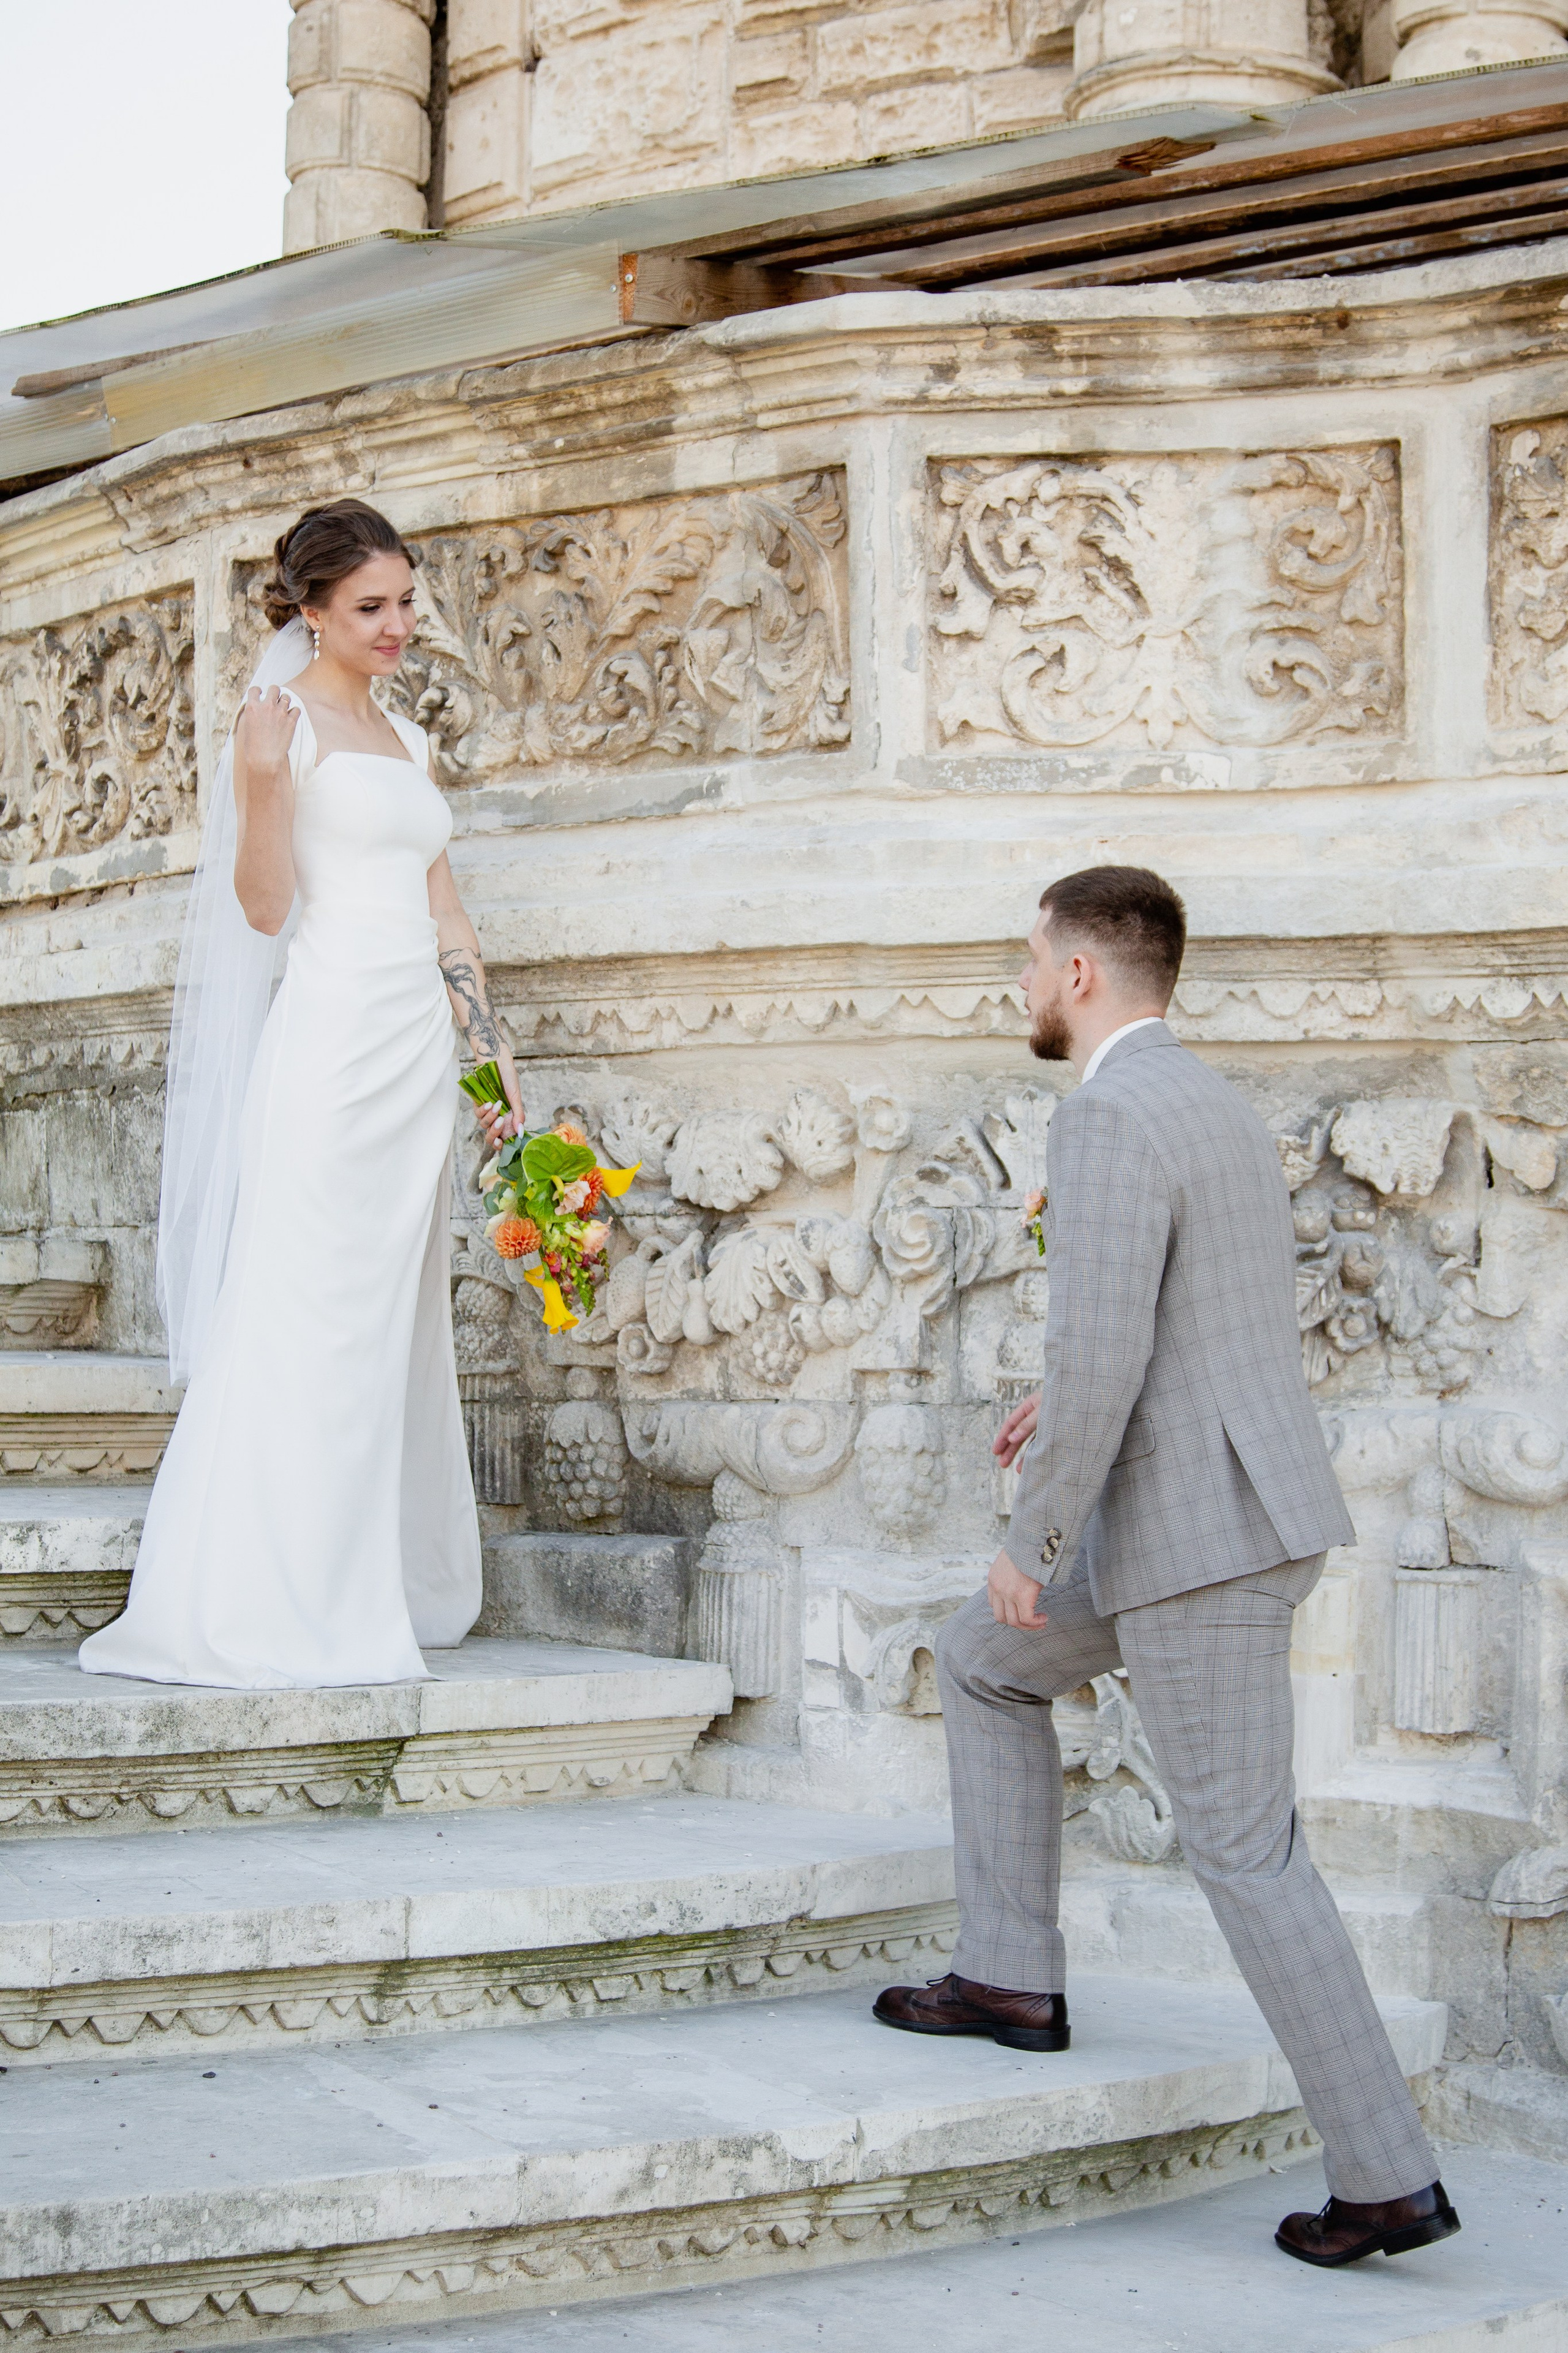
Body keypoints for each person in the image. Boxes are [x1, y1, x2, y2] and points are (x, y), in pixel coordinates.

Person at [872, 865, 1461, 2270]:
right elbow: (1180, 1329)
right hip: (1204, 1506)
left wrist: (1033, 1538)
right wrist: (1059, 1413)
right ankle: (1010, 1976)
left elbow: (1111, 1351)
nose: (1020, 983)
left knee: (1246, 1855)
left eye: (1028, 959)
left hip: (1195, 1541)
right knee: (979, 1658)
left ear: (1079, 972)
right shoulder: (1205, 1098)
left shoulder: (1114, 1114)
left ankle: (1384, 2177)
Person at [80, 500, 522, 1690]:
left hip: (415, 1064)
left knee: (387, 1329)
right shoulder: (277, 727)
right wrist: (264, 782)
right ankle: (271, 1601)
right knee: (309, 1317)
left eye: (406, 603)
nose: (397, 625)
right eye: (370, 607)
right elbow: (266, 911)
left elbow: (449, 922)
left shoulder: (410, 743)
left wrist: (492, 1077)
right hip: (327, 1054)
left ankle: (367, 1580)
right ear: (312, 610)